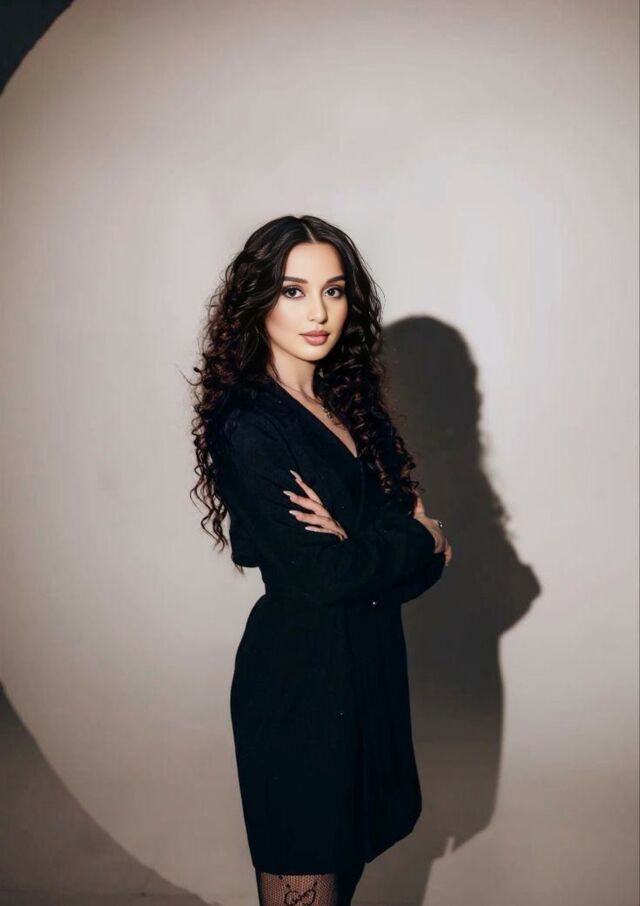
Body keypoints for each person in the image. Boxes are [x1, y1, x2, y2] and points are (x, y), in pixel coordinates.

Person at [190, 214, 452, 905]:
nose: (318, 312)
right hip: (301, 687)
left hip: (369, 676)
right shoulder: (249, 423)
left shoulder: (350, 407)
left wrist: (377, 547)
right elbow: (326, 573)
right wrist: (419, 536)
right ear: (257, 301)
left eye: (333, 291)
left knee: (349, 878)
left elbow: (419, 571)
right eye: (293, 291)